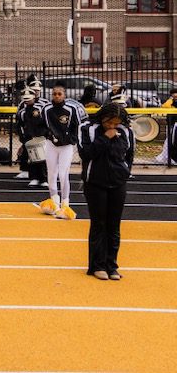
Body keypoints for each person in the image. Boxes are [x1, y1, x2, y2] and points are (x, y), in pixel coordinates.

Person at [77, 103, 134, 280]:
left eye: (116, 123)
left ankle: (112, 265)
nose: (112, 126)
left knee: (114, 225)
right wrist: (105, 138)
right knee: (99, 224)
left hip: (118, 183)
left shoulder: (126, 131)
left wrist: (125, 172)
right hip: (95, 182)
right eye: (109, 122)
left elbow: (129, 155)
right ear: (102, 117)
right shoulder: (87, 128)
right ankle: (97, 265)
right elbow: (86, 153)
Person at [39, 81, 81, 219]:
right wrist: (48, 135)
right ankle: (54, 202)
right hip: (51, 145)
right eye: (54, 94)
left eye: (59, 94)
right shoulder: (46, 109)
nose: (57, 96)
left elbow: (77, 126)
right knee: (51, 174)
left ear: (64, 95)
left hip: (66, 146)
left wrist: (71, 139)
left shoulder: (71, 109)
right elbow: (42, 125)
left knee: (63, 174)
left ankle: (65, 204)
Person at [16, 86, 48, 188]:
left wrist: (44, 135)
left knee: (42, 159)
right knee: (32, 158)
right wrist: (23, 139)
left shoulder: (40, 109)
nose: (27, 101)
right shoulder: (22, 112)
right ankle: (34, 178)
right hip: (29, 138)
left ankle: (43, 178)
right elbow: (20, 126)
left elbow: (45, 123)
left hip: (41, 137)